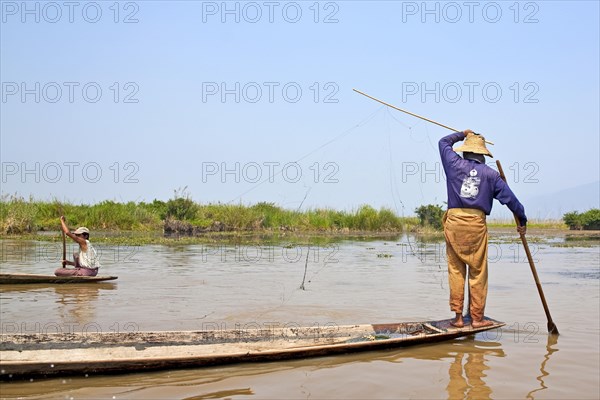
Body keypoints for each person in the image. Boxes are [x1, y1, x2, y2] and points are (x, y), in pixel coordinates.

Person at [439, 130, 527, 328]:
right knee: (478, 272)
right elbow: (511, 200)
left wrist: (462, 133)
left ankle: (458, 318)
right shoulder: (491, 175)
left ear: (464, 152)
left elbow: (443, 142)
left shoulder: (453, 164)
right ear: (482, 155)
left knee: (456, 270)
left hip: (454, 222)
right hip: (475, 225)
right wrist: (522, 220)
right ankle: (477, 318)